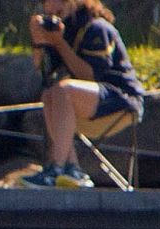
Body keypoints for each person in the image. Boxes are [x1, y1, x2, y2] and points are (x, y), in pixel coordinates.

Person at [21, 0, 144, 190]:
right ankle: (73, 169)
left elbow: (90, 76)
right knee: (49, 94)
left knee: (63, 90)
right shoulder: (61, 29)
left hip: (120, 100)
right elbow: (42, 71)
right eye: (47, 3)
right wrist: (38, 42)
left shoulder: (96, 28)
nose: (52, 7)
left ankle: (56, 168)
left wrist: (59, 43)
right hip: (86, 105)